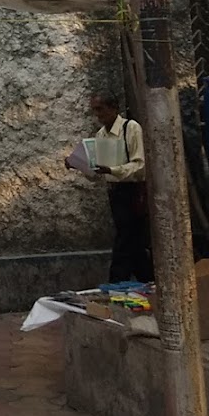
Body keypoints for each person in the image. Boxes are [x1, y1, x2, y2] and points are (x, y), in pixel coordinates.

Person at [77, 92, 151, 282]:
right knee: (132, 242)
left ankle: (116, 281)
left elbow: (140, 165)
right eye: (95, 110)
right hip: (115, 192)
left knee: (125, 240)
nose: (97, 115)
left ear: (113, 108)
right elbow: (97, 173)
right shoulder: (101, 135)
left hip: (133, 191)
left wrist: (112, 169)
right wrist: (79, 165)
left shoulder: (131, 128)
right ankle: (148, 279)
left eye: (100, 109)